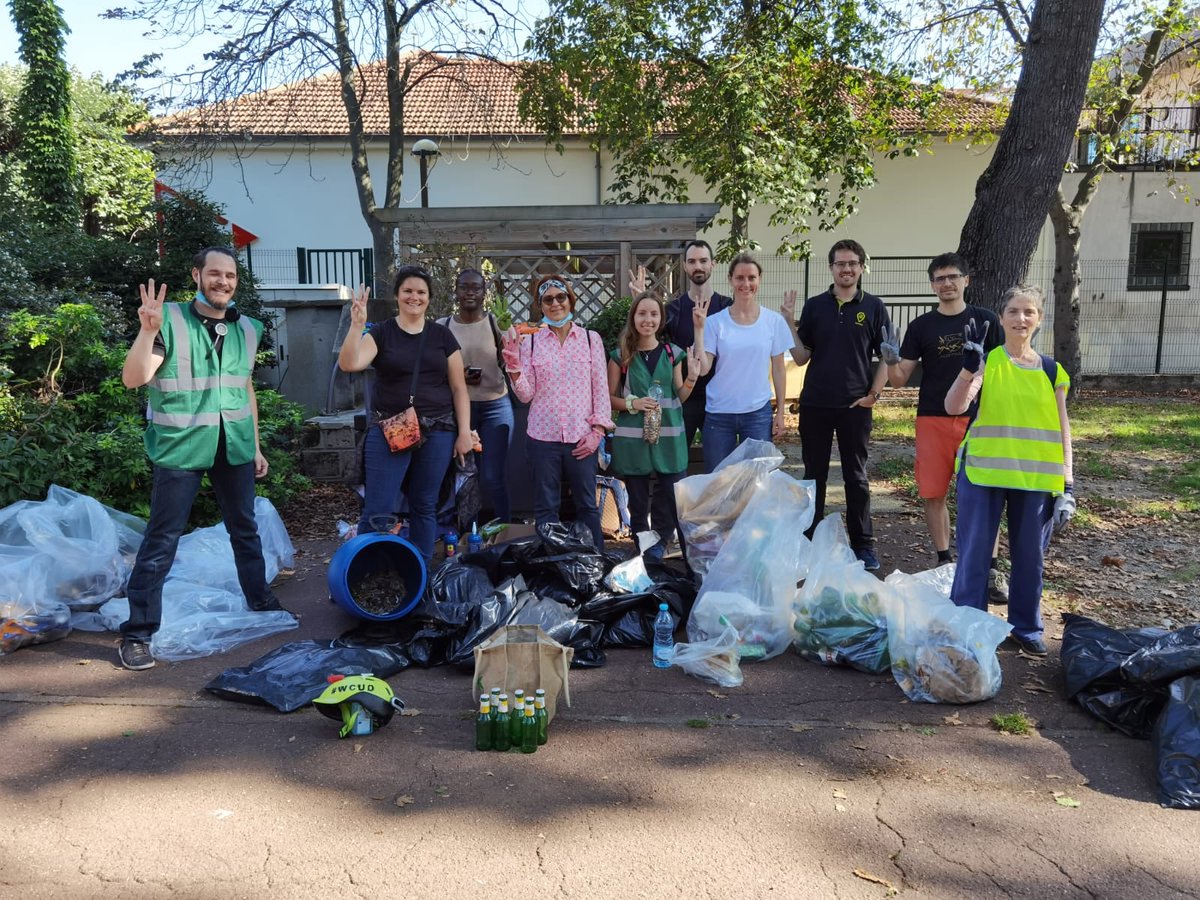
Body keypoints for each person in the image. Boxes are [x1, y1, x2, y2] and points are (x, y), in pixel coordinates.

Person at [117, 246, 288, 671]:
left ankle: (260, 598)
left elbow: (243, 387)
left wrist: (257, 444)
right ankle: (138, 633)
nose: (223, 282)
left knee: (245, 528)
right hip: (182, 446)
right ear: (197, 275)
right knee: (162, 539)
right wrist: (145, 331)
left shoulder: (247, 328)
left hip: (233, 444)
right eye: (215, 274)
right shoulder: (169, 320)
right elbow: (133, 379)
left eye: (230, 276)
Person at [944, 284, 1074, 657]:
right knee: (974, 554)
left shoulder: (1052, 371)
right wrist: (968, 371)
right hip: (983, 472)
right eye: (1013, 311)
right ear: (1001, 318)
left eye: (1028, 311)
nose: (1021, 318)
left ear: (1039, 319)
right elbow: (954, 407)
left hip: (1035, 478)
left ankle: (1026, 627)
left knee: (1030, 557)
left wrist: (1068, 484)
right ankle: (969, 623)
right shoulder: (987, 361)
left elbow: (1064, 431)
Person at [882, 252, 1007, 600]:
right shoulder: (922, 327)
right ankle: (944, 562)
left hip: (979, 420)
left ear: (966, 280)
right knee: (933, 493)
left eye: (953, 277)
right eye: (939, 279)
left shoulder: (985, 321)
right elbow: (898, 379)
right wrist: (890, 361)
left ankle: (991, 570)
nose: (946, 284)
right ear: (932, 285)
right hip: (933, 418)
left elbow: (1004, 370)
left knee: (984, 493)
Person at [337, 265, 474, 565]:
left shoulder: (443, 337)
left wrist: (464, 432)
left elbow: (459, 388)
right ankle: (365, 570)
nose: (414, 297)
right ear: (397, 295)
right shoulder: (382, 332)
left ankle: (419, 571)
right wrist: (356, 325)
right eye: (408, 291)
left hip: (438, 428)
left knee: (425, 504)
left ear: (429, 298)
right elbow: (350, 363)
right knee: (378, 507)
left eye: (421, 292)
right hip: (391, 428)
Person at [782, 239, 891, 571]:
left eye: (852, 263)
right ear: (831, 268)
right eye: (840, 263)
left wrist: (874, 394)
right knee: (813, 475)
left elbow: (886, 356)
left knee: (855, 477)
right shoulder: (815, 307)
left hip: (855, 407)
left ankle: (863, 545)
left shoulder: (874, 307)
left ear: (861, 267)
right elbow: (801, 358)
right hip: (815, 404)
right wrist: (789, 322)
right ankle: (810, 540)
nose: (846, 269)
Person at [505, 275, 614, 549]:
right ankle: (552, 566)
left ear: (570, 300)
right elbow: (526, 394)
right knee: (546, 508)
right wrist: (514, 367)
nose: (555, 303)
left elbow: (601, 389)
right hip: (542, 437)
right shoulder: (530, 342)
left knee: (587, 505)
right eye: (548, 299)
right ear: (540, 306)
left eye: (560, 297)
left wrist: (598, 432)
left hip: (582, 438)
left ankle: (595, 561)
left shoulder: (591, 340)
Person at [607, 292, 705, 558]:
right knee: (638, 503)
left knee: (670, 498)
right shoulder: (621, 356)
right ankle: (644, 552)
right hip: (633, 441)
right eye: (642, 314)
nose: (647, 320)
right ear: (633, 318)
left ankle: (661, 543)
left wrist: (692, 379)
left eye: (653, 314)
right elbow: (608, 398)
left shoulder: (672, 353)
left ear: (661, 320)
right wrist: (633, 404)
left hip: (670, 441)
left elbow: (679, 396)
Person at [694, 252, 793, 472]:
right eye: (740, 278)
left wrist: (780, 412)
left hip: (757, 413)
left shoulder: (773, 321)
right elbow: (703, 369)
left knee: (757, 482)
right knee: (719, 482)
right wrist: (699, 330)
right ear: (730, 280)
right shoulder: (714, 323)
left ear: (759, 279)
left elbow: (778, 369)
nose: (746, 283)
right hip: (719, 414)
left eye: (751, 277)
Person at [437, 268, 514, 523]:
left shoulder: (496, 323)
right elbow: (433, 370)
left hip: (495, 405)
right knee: (463, 473)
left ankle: (503, 531)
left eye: (476, 288)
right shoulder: (442, 327)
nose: (470, 292)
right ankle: (464, 532)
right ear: (455, 291)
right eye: (464, 287)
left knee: (492, 475)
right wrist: (457, 376)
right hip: (459, 409)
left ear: (484, 293)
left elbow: (514, 360)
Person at [663, 240, 732, 447]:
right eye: (692, 261)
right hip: (686, 399)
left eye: (703, 261)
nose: (698, 266)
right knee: (677, 464)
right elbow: (648, 340)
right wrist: (638, 301)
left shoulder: (727, 307)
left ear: (713, 264)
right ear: (684, 266)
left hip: (720, 400)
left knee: (720, 465)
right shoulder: (673, 309)